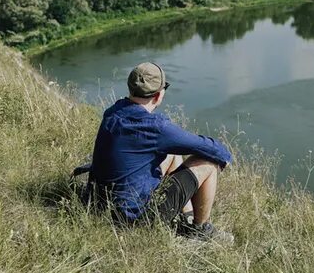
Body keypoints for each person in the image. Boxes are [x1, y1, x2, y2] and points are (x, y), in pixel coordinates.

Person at [89, 62, 233, 243]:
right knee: (208, 162)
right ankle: (200, 231)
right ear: (158, 96)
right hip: (134, 222)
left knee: (172, 154)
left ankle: (187, 217)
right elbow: (203, 146)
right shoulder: (155, 128)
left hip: (101, 206)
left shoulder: (113, 112)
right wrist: (225, 158)